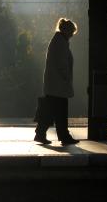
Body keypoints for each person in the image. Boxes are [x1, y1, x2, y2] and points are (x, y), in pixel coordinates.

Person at [34, 17, 80, 145]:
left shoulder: (59, 41)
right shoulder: (61, 43)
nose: (72, 35)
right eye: (71, 32)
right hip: (58, 85)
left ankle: (42, 133)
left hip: (55, 85)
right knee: (59, 112)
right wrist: (66, 78)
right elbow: (62, 64)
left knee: (50, 111)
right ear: (67, 30)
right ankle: (63, 136)